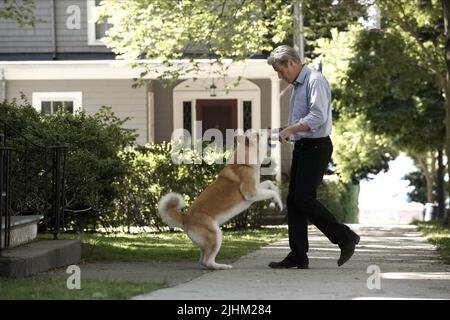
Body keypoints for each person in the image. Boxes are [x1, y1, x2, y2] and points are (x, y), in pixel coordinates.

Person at [267, 45, 360, 269]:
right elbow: (302, 120)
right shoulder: (297, 85)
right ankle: (298, 254)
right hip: (304, 146)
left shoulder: (314, 80)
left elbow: (317, 116)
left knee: (303, 199)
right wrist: (286, 130)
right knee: (294, 200)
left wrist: (290, 130)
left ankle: (344, 236)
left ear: (291, 63)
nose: (280, 76)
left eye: (280, 70)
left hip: (317, 147)